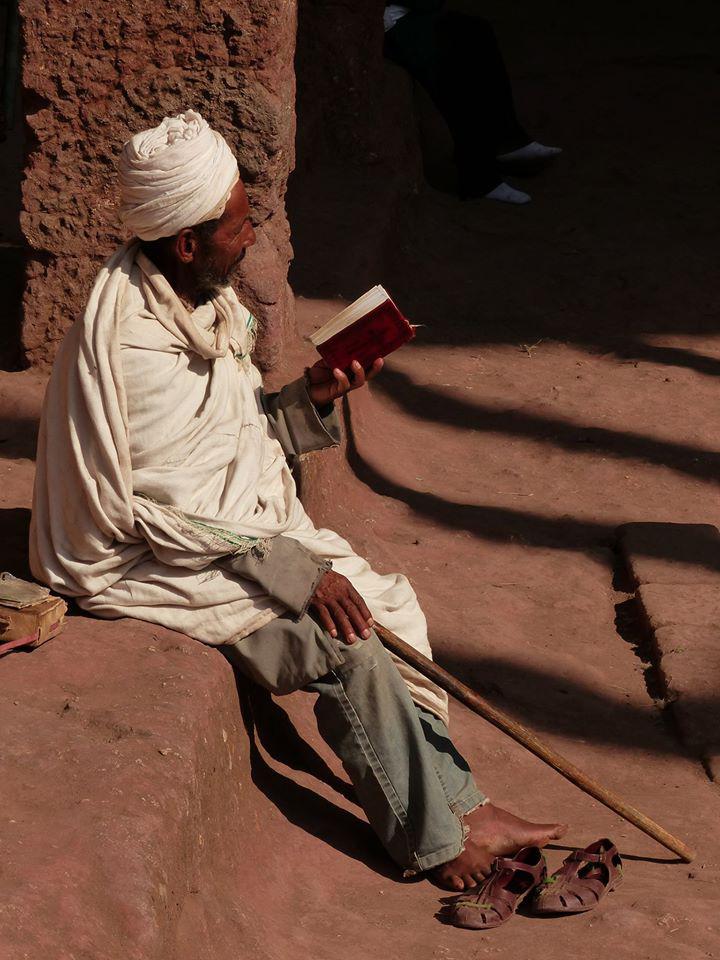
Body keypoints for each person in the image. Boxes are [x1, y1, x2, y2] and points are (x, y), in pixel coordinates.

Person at [30, 110, 566, 892]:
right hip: (143, 559)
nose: (252, 238)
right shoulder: (131, 350)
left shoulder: (200, 301)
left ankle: (464, 804)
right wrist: (297, 573)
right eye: (241, 226)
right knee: (341, 642)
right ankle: (438, 843)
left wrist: (311, 396)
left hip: (227, 536)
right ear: (187, 242)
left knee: (387, 610)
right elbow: (163, 515)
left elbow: (230, 442)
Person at [383, 2, 561, 204]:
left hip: (409, 14)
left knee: (479, 30)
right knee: (452, 72)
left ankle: (508, 140)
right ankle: (479, 180)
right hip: (392, 24)